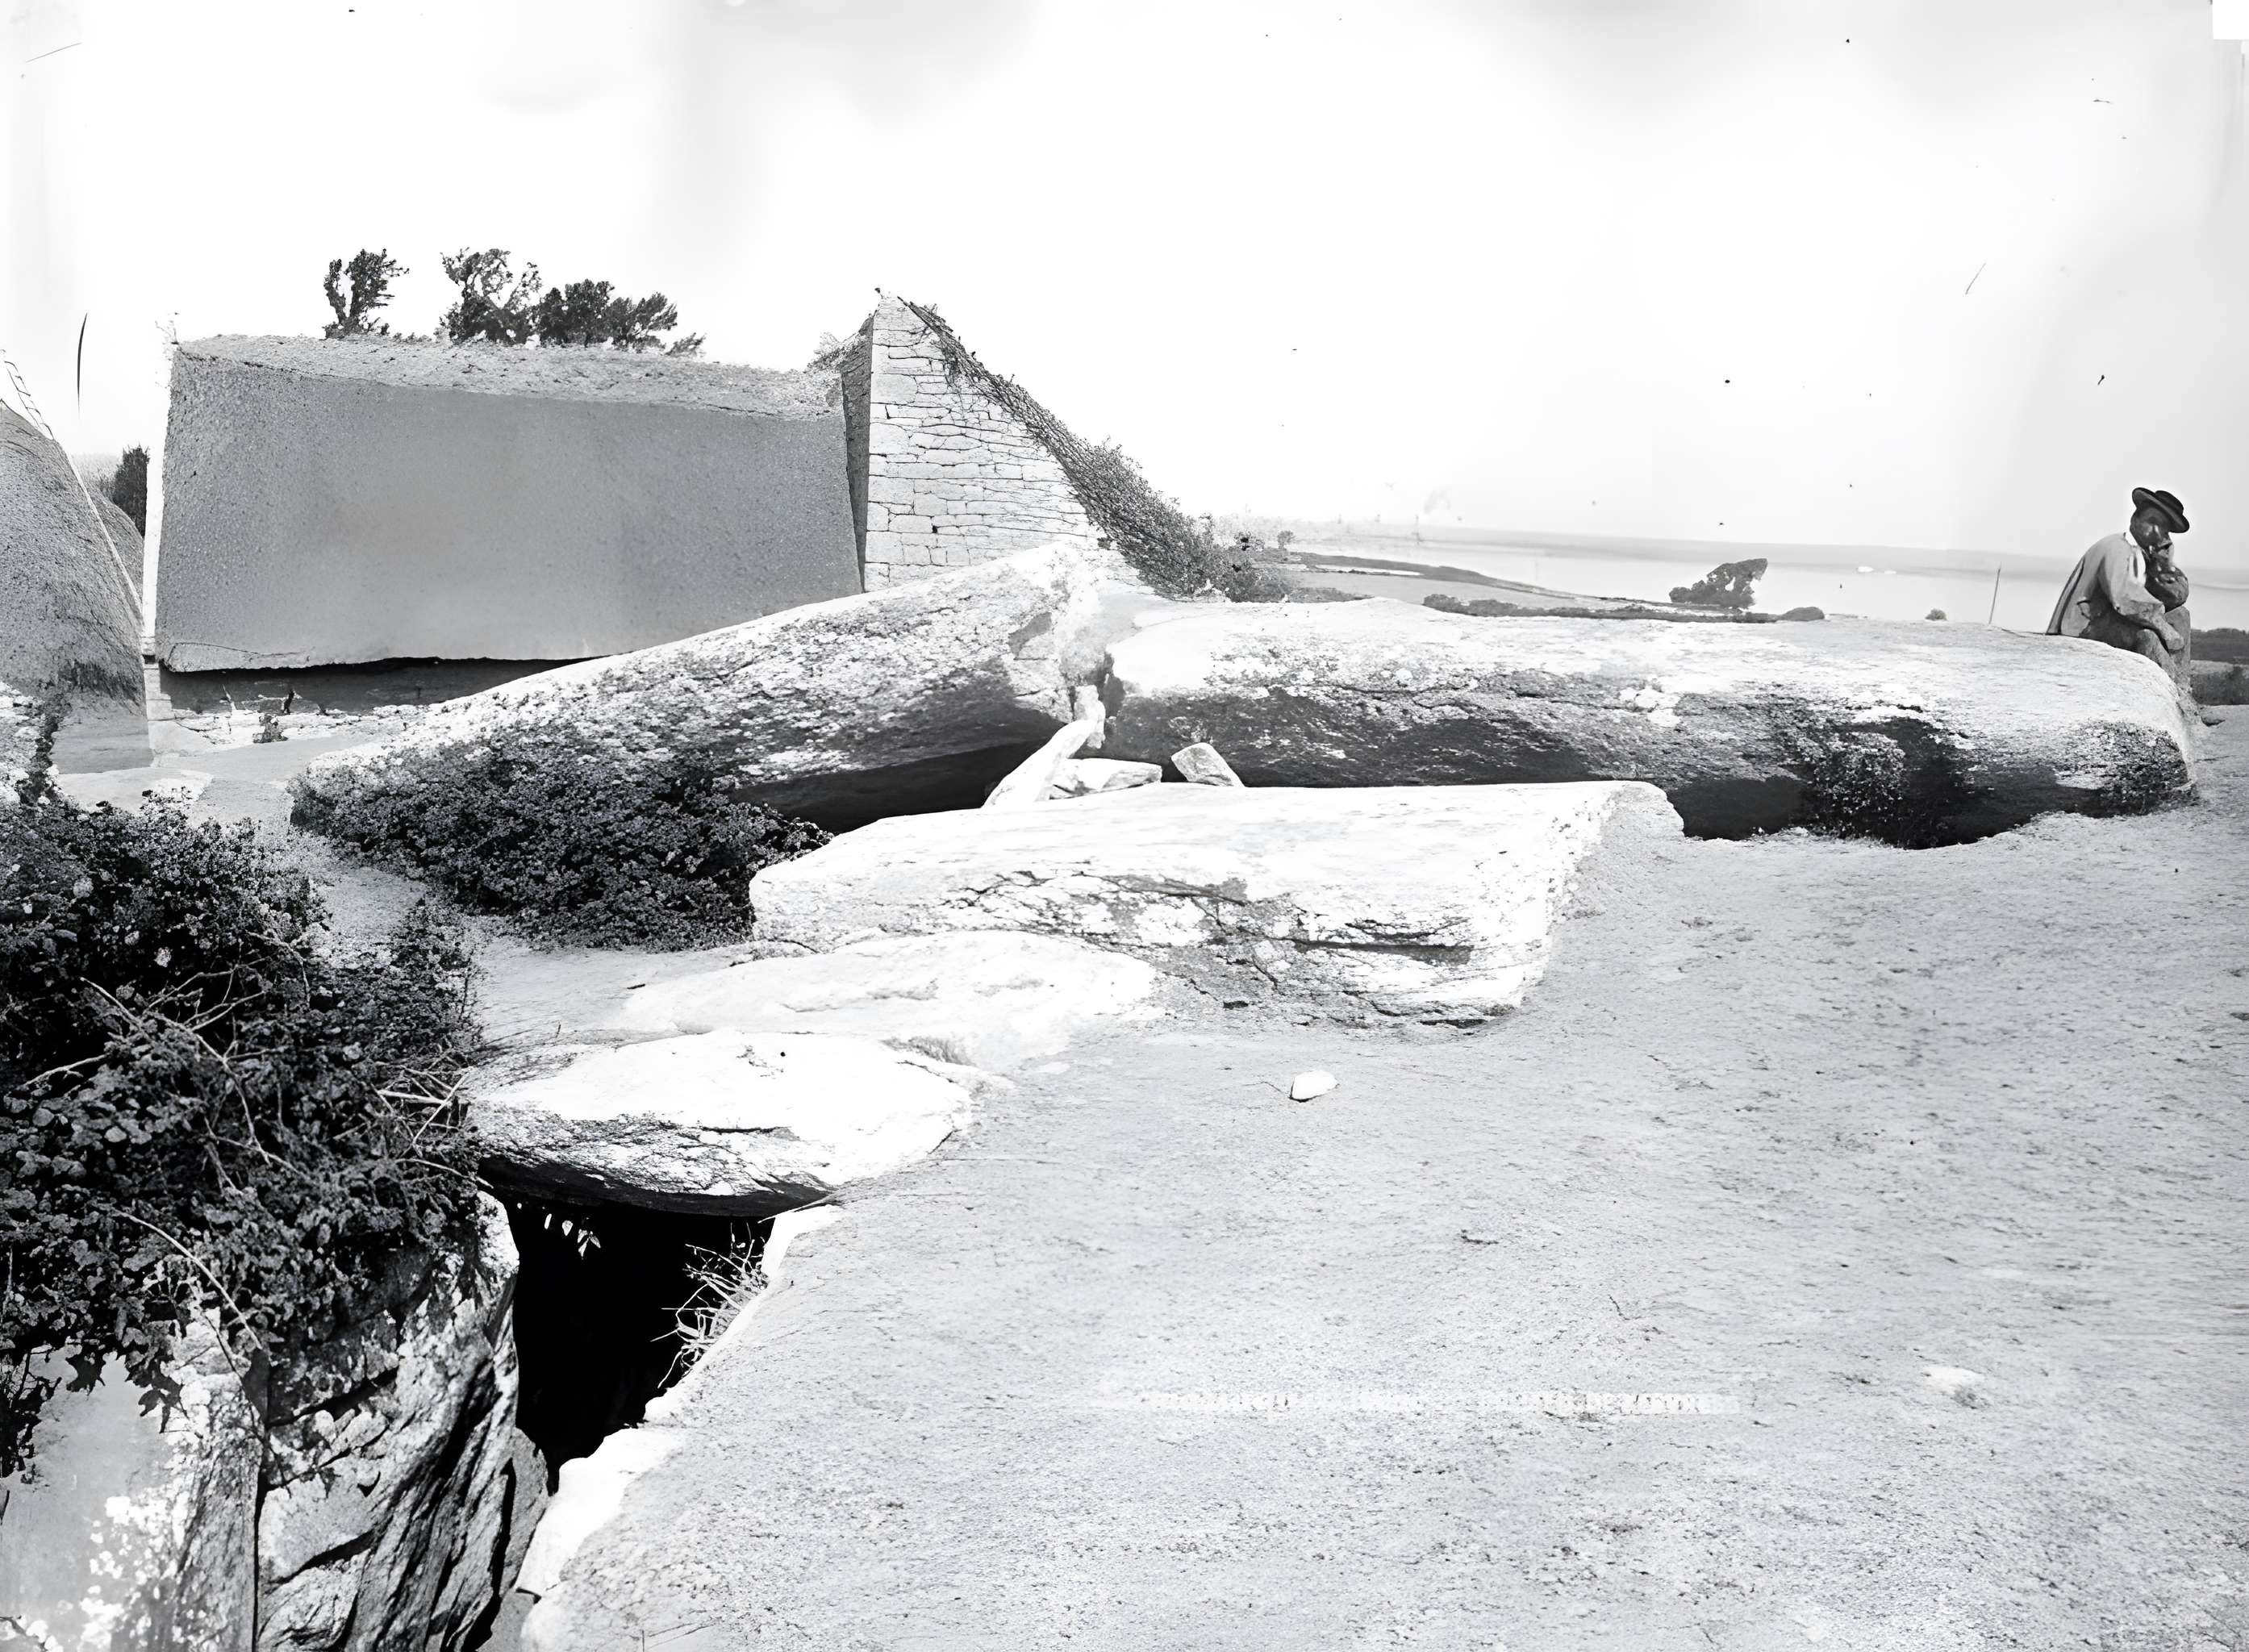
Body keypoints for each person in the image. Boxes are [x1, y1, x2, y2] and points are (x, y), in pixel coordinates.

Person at [2047, 486, 2193, 692]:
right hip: (2082, 630)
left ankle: (2182, 688)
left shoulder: (2143, 557)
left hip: (2113, 624)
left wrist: (2165, 565)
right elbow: (2124, 599)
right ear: (2135, 519)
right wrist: (2165, 629)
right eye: (2153, 522)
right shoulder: (2117, 547)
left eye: (2164, 529)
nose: (2157, 532)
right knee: (2147, 636)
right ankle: (2169, 693)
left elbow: (2177, 598)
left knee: (2180, 616)